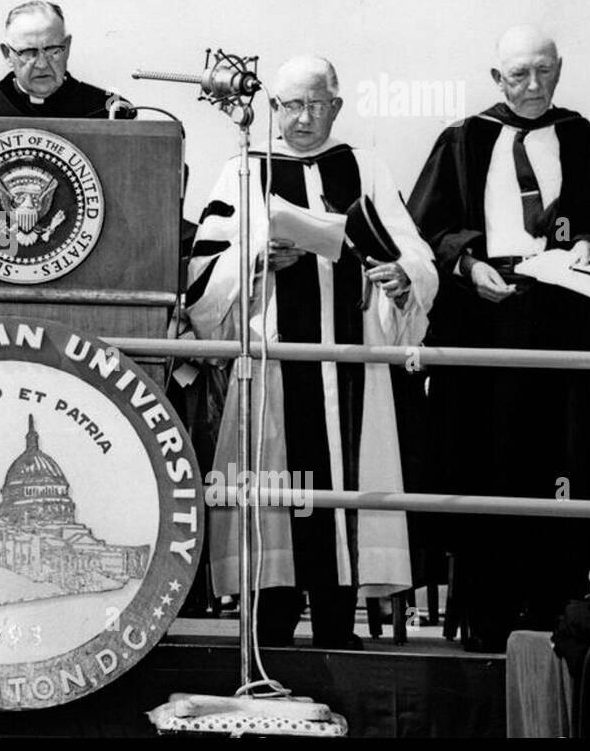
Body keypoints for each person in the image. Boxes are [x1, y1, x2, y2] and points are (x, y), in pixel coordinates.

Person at [186, 56, 437, 648]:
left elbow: (412, 251)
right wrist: (253, 259)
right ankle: (269, 638)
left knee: (342, 500)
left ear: (337, 106)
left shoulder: (364, 167)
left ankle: (335, 634)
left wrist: (405, 277)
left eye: (316, 104)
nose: (302, 118)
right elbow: (202, 270)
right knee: (277, 498)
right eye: (290, 105)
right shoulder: (246, 168)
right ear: (273, 107)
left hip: (348, 361)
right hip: (275, 362)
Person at [408, 26, 590, 652]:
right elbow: (426, 228)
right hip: (484, 325)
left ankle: (561, 618)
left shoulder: (588, 142)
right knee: (484, 468)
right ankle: (485, 619)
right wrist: (469, 265)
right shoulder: (463, 142)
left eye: (543, 72)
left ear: (560, 70)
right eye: (518, 75)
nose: (531, 86)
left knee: (563, 470)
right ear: (497, 78)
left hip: (564, 325)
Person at [0, 0, 133, 118]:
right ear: (6, 54)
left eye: (52, 50)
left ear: (67, 47)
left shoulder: (109, 110)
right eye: (28, 52)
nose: (41, 64)